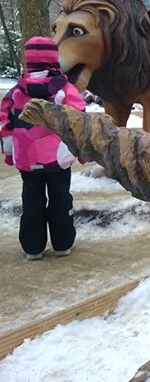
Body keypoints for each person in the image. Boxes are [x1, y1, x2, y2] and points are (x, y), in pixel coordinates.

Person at [1, 37, 86, 260]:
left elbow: (6, 123)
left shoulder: (16, 93)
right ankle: (63, 244)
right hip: (58, 156)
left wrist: (10, 152)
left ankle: (32, 248)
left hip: (28, 158)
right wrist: (82, 150)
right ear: (53, 59)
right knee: (60, 197)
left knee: (31, 200)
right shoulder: (66, 90)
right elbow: (79, 121)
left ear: (28, 61)